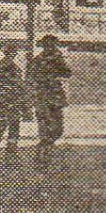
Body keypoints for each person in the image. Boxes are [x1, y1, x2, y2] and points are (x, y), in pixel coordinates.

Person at [30, 34, 72, 167]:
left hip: (56, 98)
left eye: (54, 45)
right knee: (45, 129)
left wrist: (58, 62)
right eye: (50, 45)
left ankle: (43, 151)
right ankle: (42, 158)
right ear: (45, 46)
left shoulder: (57, 59)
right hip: (42, 98)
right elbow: (31, 78)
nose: (53, 47)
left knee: (58, 130)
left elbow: (67, 73)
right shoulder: (37, 60)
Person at [0, 43, 27, 162]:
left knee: (8, 126)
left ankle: (4, 152)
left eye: (13, 53)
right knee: (6, 125)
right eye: (11, 52)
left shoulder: (10, 67)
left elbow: (19, 86)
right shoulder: (2, 67)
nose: (12, 55)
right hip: (5, 101)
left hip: (9, 100)